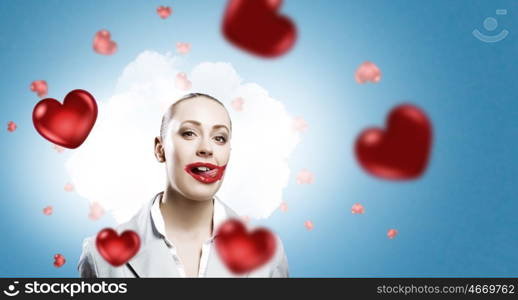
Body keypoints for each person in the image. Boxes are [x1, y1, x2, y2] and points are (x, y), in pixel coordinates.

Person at [78, 93, 289, 277]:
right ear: (160, 149)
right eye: (189, 133)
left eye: (219, 138)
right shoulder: (100, 257)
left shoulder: (268, 253)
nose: (206, 148)